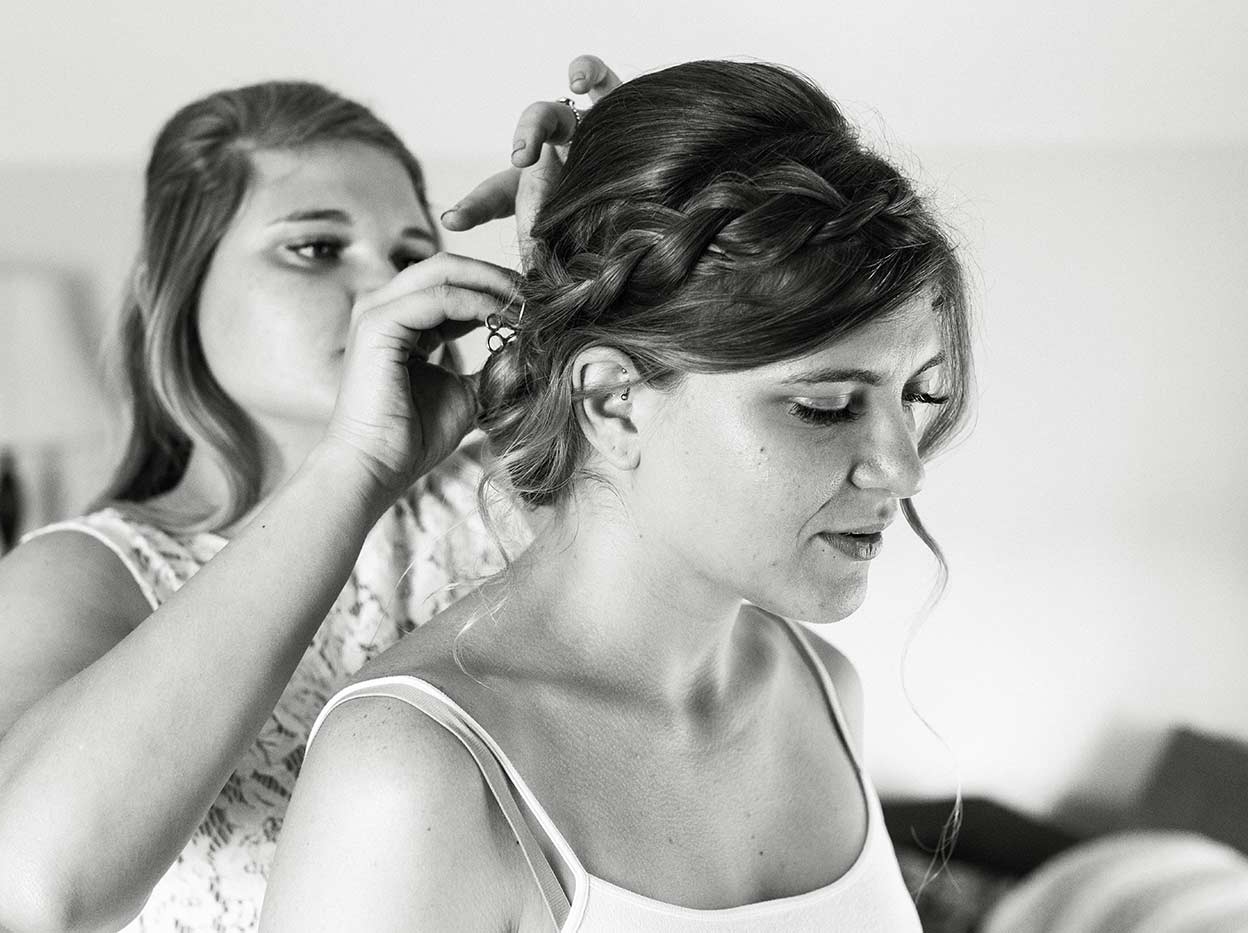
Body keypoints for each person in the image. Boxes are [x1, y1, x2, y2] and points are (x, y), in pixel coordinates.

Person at [260, 59, 974, 932]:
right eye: (825, 407)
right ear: (611, 403)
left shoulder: (821, 688)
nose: (902, 468)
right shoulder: (414, 774)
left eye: (919, 395)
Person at [0, 57, 622, 933]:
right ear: (180, 284)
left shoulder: (517, 497)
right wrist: (353, 465)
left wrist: (616, 251)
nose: (386, 286)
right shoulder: (82, 574)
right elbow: (49, 887)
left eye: (414, 255)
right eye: (314, 247)